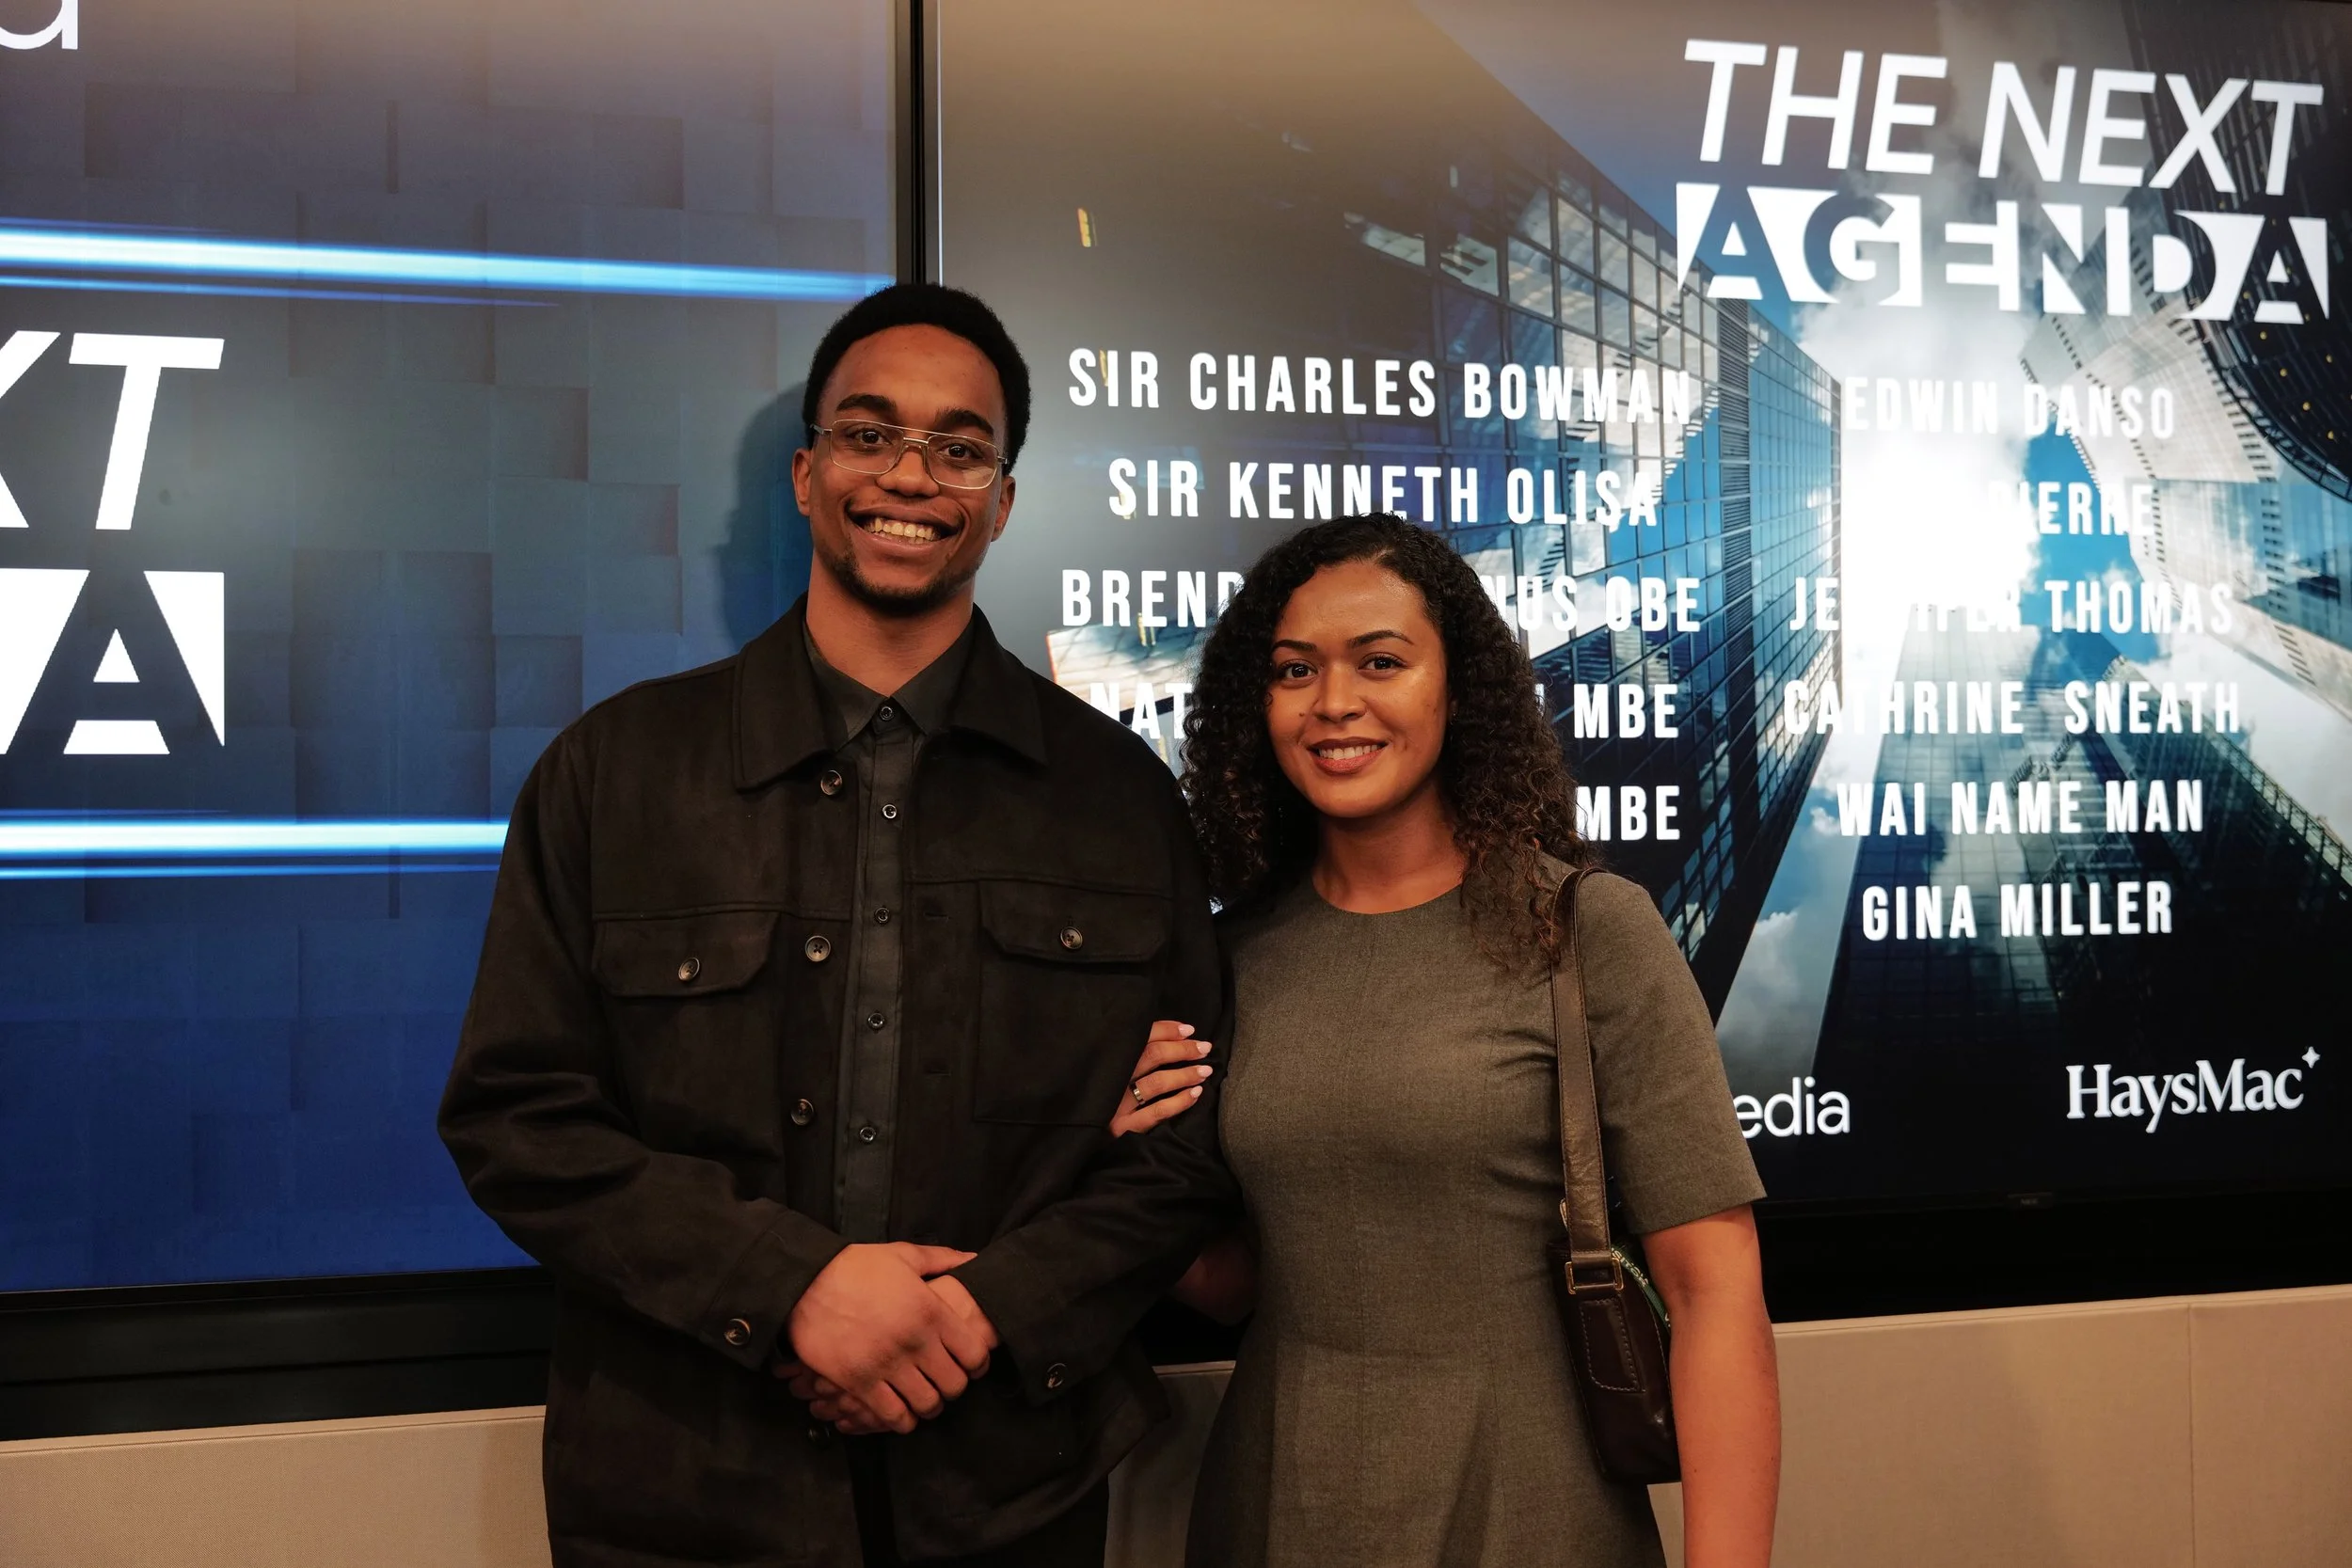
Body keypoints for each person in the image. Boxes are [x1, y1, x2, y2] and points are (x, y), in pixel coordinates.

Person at [439, 282, 1238, 1568]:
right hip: (681, 1488)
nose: (911, 473)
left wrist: (979, 1314)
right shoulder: (616, 772)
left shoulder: (1121, 800)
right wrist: (790, 1287)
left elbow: (1182, 1154)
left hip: (1009, 1490)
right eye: (870, 434)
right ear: (809, 475)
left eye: (960, 446)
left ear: (1004, 498)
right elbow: (519, 1117)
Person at [1113, 515, 1781, 1568]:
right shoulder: (1229, 954)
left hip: (1534, 1509)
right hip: (1277, 1504)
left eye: (1381, 660)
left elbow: (1713, 1295)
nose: (1335, 701)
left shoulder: (1585, 929)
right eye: (1295, 669)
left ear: (1458, 687)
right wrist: (1131, 1167)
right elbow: (1246, 1281)